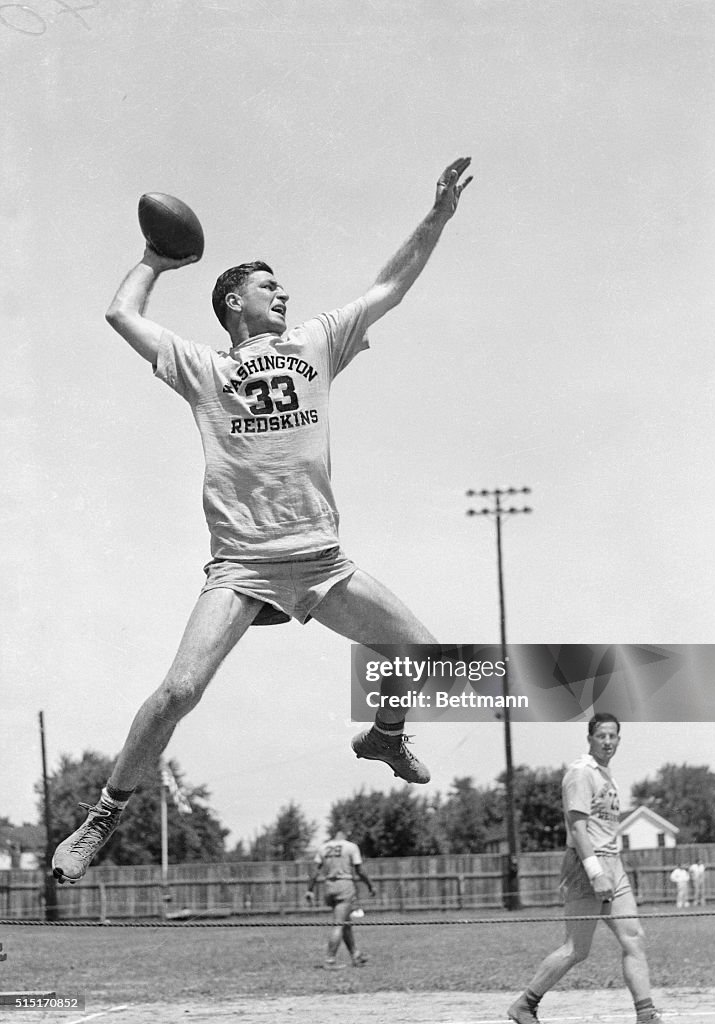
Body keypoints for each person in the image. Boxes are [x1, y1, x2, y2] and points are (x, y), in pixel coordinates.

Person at [51, 157, 473, 885]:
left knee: (434, 660)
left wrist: (434, 216)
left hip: (320, 561)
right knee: (179, 692)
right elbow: (121, 314)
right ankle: (103, 815)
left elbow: (390, 286)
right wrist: (154, 258)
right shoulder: (204, 368)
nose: (283, 294)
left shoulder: (317, 344)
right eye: (267, 286)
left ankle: (384, 733)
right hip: (243, 565)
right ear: (233, 304)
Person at [508, 713, 662, 1024]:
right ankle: (524, 1004)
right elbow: (578, 829)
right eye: (601, 736)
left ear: (619, 739)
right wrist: (595, 872)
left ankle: (646, 1014)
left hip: (613, 863)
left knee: (634, 937)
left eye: (613, 736)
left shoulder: (607, 776)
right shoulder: (580, 774)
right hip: (586, 865)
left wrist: (609, 869)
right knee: (576, 949)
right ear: (590, 738)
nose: (608, 742)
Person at [305, 828, 376, 969]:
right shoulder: (351, 847)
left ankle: (356, 956)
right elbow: (360, 870)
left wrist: (310, 889)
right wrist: (370, 885)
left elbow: (315, 871)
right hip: (345, 886)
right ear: (345, 835)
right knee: (339, 924)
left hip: (329, 886)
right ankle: (330, 960)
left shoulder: (323, 847)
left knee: (345, 922)